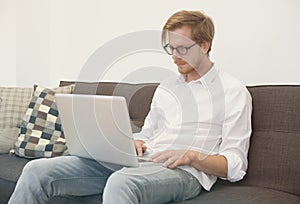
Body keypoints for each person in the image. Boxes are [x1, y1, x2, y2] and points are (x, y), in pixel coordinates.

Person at [8, 10, 252, 204]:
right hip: (140, 161)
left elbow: (235, 165)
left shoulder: (232, 91)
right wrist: (134, 141)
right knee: (37, 171)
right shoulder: (167, 87)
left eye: (182, 48)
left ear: (205, 45)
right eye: (170, 48)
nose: (174, 56)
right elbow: (148, 133)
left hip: (185, 173)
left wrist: (192, 156)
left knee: (121, 182)